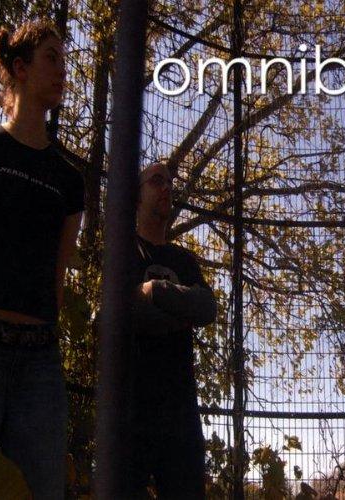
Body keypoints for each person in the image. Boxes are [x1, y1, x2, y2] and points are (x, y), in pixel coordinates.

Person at [0, 19, 84, 498]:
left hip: (39, 357)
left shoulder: (69, 179)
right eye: (51, 58)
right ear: (20, 68)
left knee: (42, 488)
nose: (62, 71)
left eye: (64, 61)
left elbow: (58, 276)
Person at [126, 162, 217, 499]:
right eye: (156, 181)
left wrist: (154, 290)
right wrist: (180, 312)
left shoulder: (185, 261)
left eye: (169, 182)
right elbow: (122, 314)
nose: (166, 187)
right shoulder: (123, 251)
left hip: (180, 410)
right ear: (137, 196)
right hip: (131, 406)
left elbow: (207, 308)